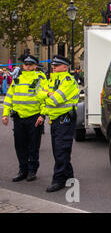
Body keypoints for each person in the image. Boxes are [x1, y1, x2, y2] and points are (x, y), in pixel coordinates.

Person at [37, 55, 80, 192]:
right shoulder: (52, 80)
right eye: (53, 65)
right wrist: (48, 94)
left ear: (65, 67)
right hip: (55, 119)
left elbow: (56, 100)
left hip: (65, 119)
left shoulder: (68, 80)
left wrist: (47, 94)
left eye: (56, 65)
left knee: (61, 150)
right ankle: (68, 175)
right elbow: (38, 95)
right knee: (58, 150)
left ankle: (59, 179)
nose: (53, 67)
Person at [2, 55, 48, 182]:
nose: (27, 66)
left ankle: (32, 170)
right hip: (18, 117)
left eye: (30, 64)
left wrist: (42, 115)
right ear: (23, 66)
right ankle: (23, 170)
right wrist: (5, 114)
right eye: (25, 64)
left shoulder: (39, 78)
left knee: (33, 145)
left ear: (34, 66)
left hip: (34, 117)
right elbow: (9, 97)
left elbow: (44, 98)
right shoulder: (17, 79)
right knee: (20, 145)